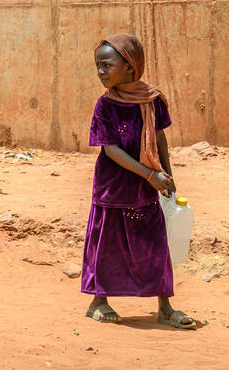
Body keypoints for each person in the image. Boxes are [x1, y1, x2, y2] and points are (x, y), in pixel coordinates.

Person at [83, 35, 194, 329]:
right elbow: (111, 149)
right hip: (113, 188)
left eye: (107, 65)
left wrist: (168, 174)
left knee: (155, 245)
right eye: (98, 66)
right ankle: (98, 302)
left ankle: (165, 307)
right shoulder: (105, 105)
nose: (101, 72)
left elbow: (158, 137)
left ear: (130, 67)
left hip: (147, 189)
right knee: (107, 246)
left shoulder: (152, 100)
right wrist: (150, 175)